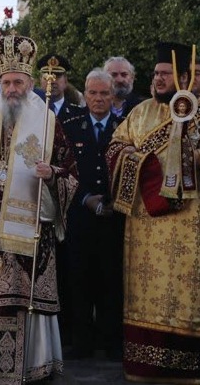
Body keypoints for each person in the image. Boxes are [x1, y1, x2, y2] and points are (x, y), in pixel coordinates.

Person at [106, 41, 200, 384]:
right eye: (155, 73)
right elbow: (114, 150)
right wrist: (146, 165)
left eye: (165, 74)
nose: (157, 79)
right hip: (145, 234)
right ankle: (144, 369)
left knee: (188, 305)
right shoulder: (139, 114)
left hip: (194, 236)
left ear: (184, 77)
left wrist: (194, 159)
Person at [0, 35, 78, 384]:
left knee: (24, 302)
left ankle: (31, 367)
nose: (11, 89)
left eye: (18, 82)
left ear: (30, 83)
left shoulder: (48, 122)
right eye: (5, 82)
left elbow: (70, 174)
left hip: (31, 236)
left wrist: (51, 175)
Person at [60, 69, 123, 360]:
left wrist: (113, 201)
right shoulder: (69, 125)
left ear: (113, 96)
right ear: (85, 95)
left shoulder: (125, 127)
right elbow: (61, 167)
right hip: (79, 216)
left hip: (115, 218)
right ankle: (82, 341)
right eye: (93, 93)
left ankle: (111, 341)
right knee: (79, 279)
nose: (99, 99)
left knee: (112, 279)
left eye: (104, 94)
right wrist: (85, 198)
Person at [37, 53, 80, 121]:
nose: (52, 81)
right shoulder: (32, 111)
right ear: (40, 79)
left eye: (57, 76)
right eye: (46, 76)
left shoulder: (78, 114)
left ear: (65, 80)